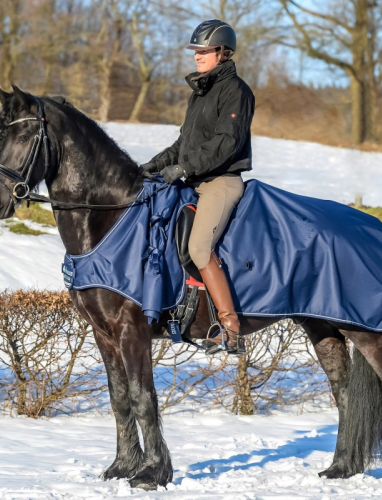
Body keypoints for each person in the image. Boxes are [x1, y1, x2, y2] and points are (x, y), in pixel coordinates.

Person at [141, 19, 255, 355]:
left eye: (203, 50)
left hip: (220, 182)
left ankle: (230, 328)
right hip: (193, 182)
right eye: (195, 51)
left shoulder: (237, 91)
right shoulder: (200, 92)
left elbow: (226, 143)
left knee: (200, 247)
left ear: (222, 52)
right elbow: (183, 144)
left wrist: (185, 168)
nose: (197, 56)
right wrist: (152, 166)